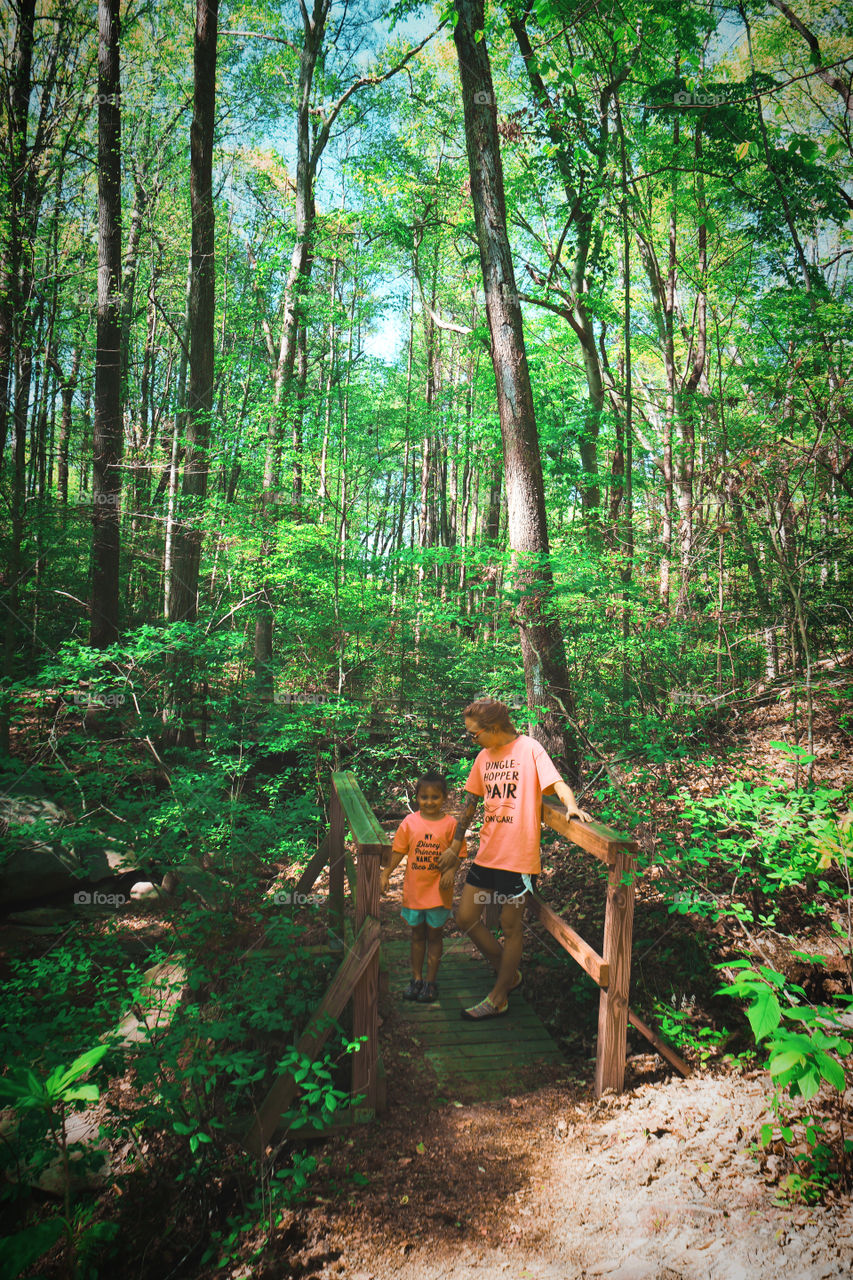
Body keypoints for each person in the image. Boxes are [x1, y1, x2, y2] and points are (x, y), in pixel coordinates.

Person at [438, 698, 591, 1019]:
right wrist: (455, 844)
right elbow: (470, 802)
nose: (471, 739)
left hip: (518, 858)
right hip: (488, 853)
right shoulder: (483, 757)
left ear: (493, 728)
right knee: (465, 917)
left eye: (474, 734)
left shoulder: (530, 749)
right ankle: (508, 974)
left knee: (510, 927)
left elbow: (557, 783)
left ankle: (499, 996)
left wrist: (571, 805)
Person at [380, 771, 464, 1004]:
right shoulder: (410, 823)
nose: (429, 802)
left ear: (444, 797)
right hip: (415, 892)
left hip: (438, 892)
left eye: (435, 797)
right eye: (424, 797)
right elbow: (398, 851)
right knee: (417, 936)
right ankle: (416, 979)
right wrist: (386, 872)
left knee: (435, 937)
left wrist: (450, 871)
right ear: (417, 797)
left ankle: (430, 981)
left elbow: (459, 854)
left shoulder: (451, 825)